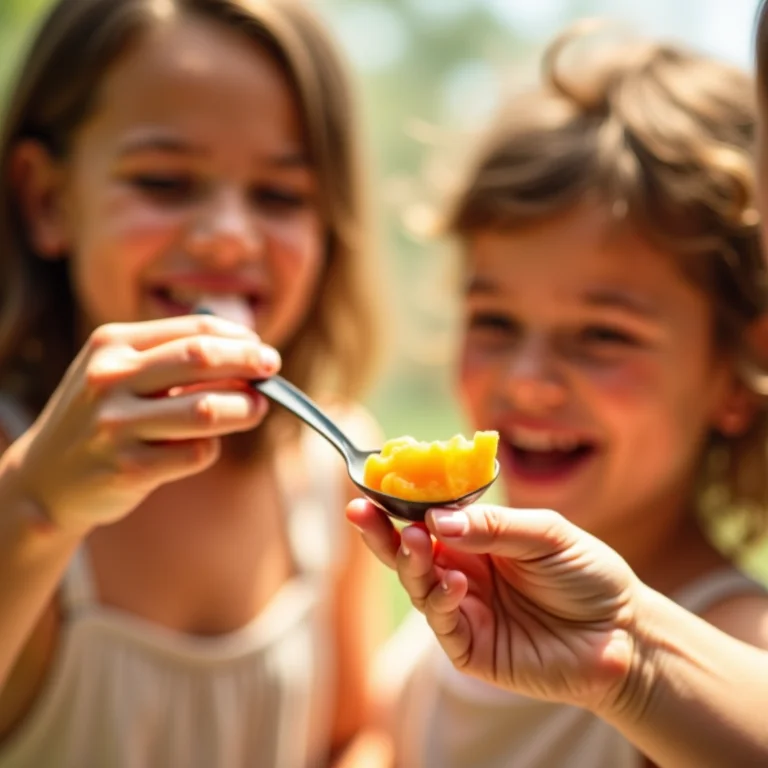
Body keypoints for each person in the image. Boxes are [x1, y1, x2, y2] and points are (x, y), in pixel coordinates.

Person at [351, 21, 768, 768]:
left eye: (603, 335)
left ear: (738, 372)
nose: (526, 380)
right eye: (496, 321)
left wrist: (635, 672)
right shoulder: (444, 619)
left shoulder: (731, 655)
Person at [0, 1, 389, 766]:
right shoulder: (16, 462)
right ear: (48, 200)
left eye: (279, 196)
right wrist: (37, 505)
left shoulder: (328, 470)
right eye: (167, 182)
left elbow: (354, 735)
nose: (227, 235)